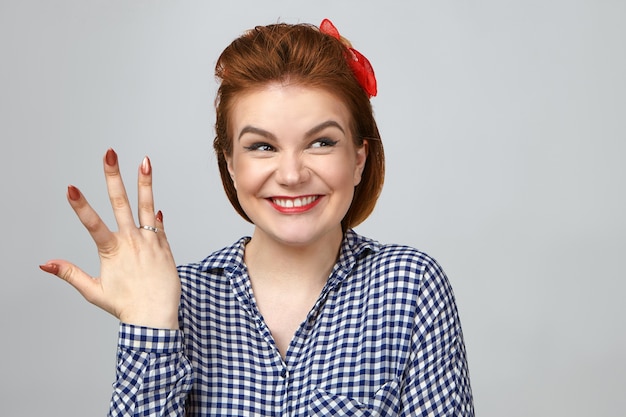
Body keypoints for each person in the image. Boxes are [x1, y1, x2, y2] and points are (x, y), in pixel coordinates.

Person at [40, 19, 474, 416]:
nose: (291, 174)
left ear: (359, 158)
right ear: (229, 162)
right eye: (262, 147)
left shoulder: (410, 289)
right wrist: (152, 323)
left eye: (321, 142)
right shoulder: (178, 298)